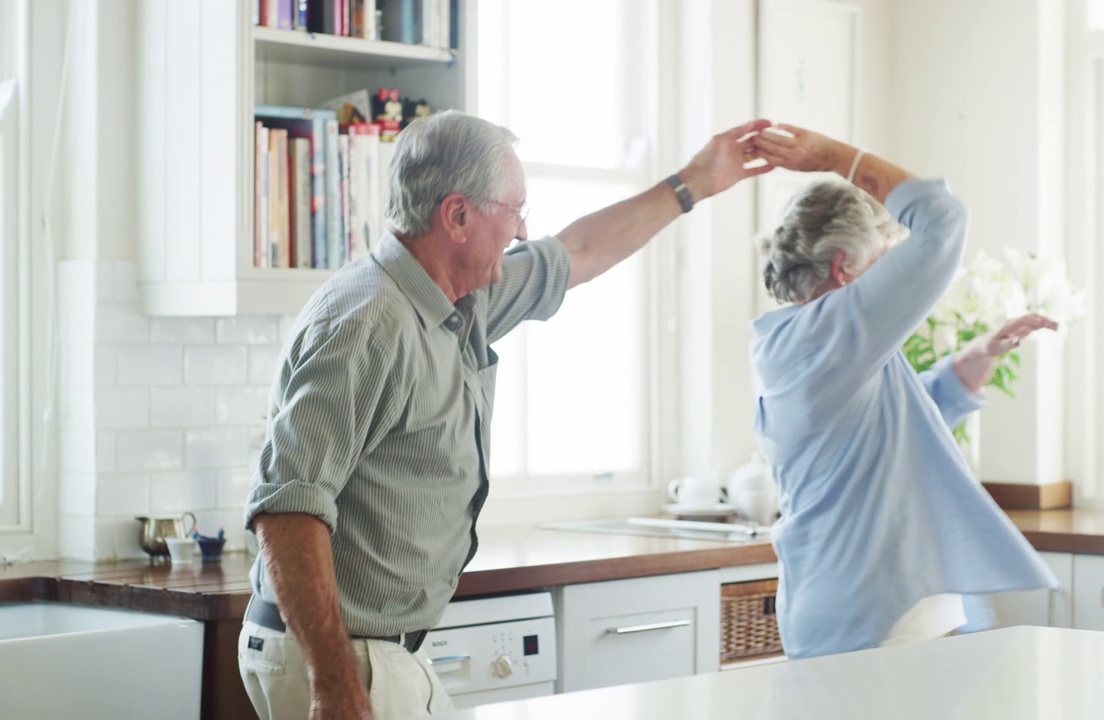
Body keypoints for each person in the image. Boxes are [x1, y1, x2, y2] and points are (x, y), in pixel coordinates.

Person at [239, 110, 774, 719]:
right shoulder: (368, 320)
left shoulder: (464, 299)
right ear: (458, 215)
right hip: (335, 659)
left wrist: (693, 183)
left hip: (380, 656)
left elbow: (579, 250)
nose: (522, 231)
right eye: (514, 210)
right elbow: (287, 506)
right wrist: (334, 683)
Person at [747, 124, 1060, 660]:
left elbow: (894, 424)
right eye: (883, 259)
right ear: (845, 269)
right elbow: (943, 220)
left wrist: (977, 357)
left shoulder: (814, 343)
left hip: (868, 607)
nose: (890, 275)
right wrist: (833, 156)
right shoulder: (827, 334)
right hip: (869, 613)